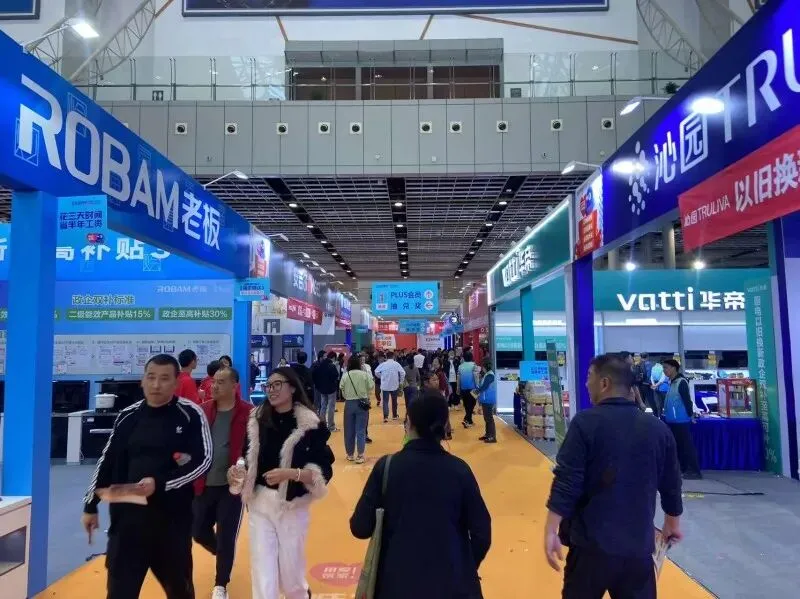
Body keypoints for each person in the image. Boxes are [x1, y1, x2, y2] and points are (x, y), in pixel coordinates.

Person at [544, 353, 684, 599]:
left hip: (590, 547)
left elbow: (567, 480)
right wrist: (672, 523)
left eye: (589, 377)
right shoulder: (657, 429)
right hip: (638, 548)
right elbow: (671, 483)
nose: (586, 383)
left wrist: (551, 529)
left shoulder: (585, 424)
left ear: (604, 383)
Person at [81, 354, 212, 599]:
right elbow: (107, 461)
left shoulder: (190, 414)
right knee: (119, 593)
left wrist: (159, 484)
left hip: (172, 524)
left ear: (176, 383)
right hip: (127, 525)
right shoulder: (128, 416)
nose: (156, 385)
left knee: (180, 591)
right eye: (151, 377)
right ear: (142, 380)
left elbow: (203, 460)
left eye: (164, 379)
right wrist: (91, 505)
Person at [350, 390, 491, 598]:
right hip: (451, 585)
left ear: (408, 424)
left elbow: (360, 527)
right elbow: (482, 532)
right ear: (445, 426)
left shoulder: (387, 467)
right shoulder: (459, 471)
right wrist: (464, 567)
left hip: (396, 584)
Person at [230, 366, 335, 599]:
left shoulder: (310, 425)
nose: (271, 390)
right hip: (259, 502)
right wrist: (238, 469)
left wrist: (291, 474)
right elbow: (245, 455)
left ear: (292, 388)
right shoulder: (257, 420)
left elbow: (324, 470)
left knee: (291, 577)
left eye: (277, 384)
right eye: (268, 385)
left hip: (292, 506)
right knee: (263, 572)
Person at [193, 367, 252, 599]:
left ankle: (221, 584)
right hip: (202, 483)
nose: (214, 386)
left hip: (232, 487)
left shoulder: (248, 413)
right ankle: (223, 553)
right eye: (213, 382)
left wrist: (243, 465)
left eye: (220, 382)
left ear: (234, 385)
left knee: (227, 535)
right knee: (198, 530)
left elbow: (254, 447)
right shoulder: (203, 411)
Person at [661, 359, 703, 480]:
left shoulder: (681, 382)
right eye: (663, 368)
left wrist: (691, 415)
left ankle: (694, 471)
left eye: (666, 368)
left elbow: (687, 401)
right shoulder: (672, 382)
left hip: (681, 421)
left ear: (674, 368)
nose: (664, 371)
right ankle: (684, 469)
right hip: (673, 421)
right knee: (679, 447)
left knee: (686, 447)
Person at [340, 354, 374, 463]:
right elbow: (371, 386)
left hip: (349, 403)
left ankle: (350, 454)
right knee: (361, 430)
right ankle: (360, 455)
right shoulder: (364, 374)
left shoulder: (346, 375)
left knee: (349, 430)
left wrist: (347, 395)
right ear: (359, 364)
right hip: (362, 403)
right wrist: (365, 393)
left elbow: (341, 387)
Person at [312, 351, 341, 432]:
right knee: (331, 407)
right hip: (331, 390)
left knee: (323, 406)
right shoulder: (332, 366)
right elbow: (336, 376)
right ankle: (331, 426)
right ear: (333, 358)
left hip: (322, 389)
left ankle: (323, 425)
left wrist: (318, 385)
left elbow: (314, 375)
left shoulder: (319, 365)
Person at [375, 351, 406, 424]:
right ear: (393, 356)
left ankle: (385, 417)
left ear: (386, 357)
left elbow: (376, 372)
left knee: (385, 401)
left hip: (385, 385)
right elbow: (403, 373)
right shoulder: (396, 364)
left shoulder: (383, 364)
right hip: (394, 385)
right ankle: (394, 415)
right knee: (394, 401)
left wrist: (381, 377)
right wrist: (401, 381)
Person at [424, 370, 452, 440]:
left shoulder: (440, 396)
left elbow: (445, 415)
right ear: (426, 383)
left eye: (437, 379)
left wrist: (446, 430)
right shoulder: (422, 396)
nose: (437, 382)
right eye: (434, 380)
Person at [476, 358, 497, 444]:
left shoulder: (489, 375)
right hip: (486, 399)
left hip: (488, 399)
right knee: (487, 418)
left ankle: (492, 437)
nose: (482, 368)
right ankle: (488, 434)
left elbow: (484, 387)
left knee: (489, 418)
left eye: (482, 366)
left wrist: (476, 391)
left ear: (485, 366)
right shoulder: (488, 374)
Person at [457, 351, 480, 429]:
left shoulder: (460, 366)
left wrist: (458, 388)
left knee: (466, 405)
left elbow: (458, 379)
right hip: (472, 388)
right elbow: (476, 378)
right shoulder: (474, 366)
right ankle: (466, 419)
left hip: (463, 388)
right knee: (472, 404)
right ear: (472, 357)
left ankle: (469, 421)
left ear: (464, 358)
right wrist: (478, 387)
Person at [360, 354, 374, 444]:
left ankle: (364, 435)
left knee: (364, 416)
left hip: (365, 395)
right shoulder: (353, 370)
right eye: (361, 360)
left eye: (364, 360)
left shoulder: (367, 367)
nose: (363, 361)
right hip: (359, 396)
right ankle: (361, 436)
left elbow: (371, 379)